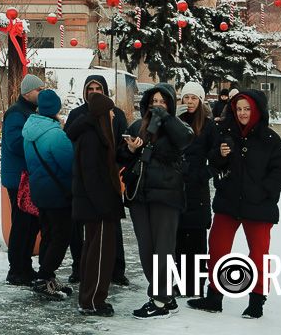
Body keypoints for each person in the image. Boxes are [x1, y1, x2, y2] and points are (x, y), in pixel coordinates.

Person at [188, 89, 281, 320]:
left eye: (247, 109)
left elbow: (280, 172)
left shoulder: (270, 139)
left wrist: (264, 192)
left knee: (259, 255)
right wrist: (220, 155)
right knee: (217, 249)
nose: (243, 113)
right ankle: (214, 297)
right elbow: (213, 160)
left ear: (256, 111)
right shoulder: (225, 132)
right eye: (239, 109)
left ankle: (257, 300)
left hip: (259, 207)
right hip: (229, 203)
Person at [118, 82, 192, 318]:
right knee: (146, 248)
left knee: (163, 248)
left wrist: (165, 119)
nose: (157, 106)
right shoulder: (138, 125)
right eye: (154, 102)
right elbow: (121, 157)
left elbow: (184, 141)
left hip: (166, 195)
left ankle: (159, 300)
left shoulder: (178, 127)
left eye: (162, 101)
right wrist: (130, 150)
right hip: (139, 195)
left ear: (170, 104)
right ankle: (165, 295)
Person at [65, 75, 130, 287]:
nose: (93, 92)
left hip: (110, 177)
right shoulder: (78, 116)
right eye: (90, 88)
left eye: (98, 88)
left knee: (109, 232)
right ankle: (81, 270)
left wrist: (125, 155)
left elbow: (119, 145)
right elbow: (72, 145)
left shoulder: (116, 115)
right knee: (85, 232)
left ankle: (115, 269)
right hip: (88, 181)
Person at [23, 89, 75, 299]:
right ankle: (45, 276)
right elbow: (69, 165)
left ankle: (46, 276)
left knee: (47, 233)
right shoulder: (56, 135)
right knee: (61, 236)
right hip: (59, 193)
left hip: (39, 190)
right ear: (56, 109)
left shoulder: (28, 130)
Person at [175, 81, 218, 299]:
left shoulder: (208, 126)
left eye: (194, 98)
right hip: (176, 188)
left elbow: (217, 155)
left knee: (197, 242)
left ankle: (195, 285)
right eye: (186, 97)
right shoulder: (175, 122)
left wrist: (205, 173)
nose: (189, 102)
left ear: (200, 101)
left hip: (197, 190)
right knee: (178, 239)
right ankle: (180, 283)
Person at [2, 73, 45, 285]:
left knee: (29, 223)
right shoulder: (16, 114)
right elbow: (15, 144)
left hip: (27, 176)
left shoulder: (27, 112)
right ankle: (17, 269)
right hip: (18, 178)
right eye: (39, 90)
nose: (42, 93)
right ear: (27, 92)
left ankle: (24, 266)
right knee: (22, 223)